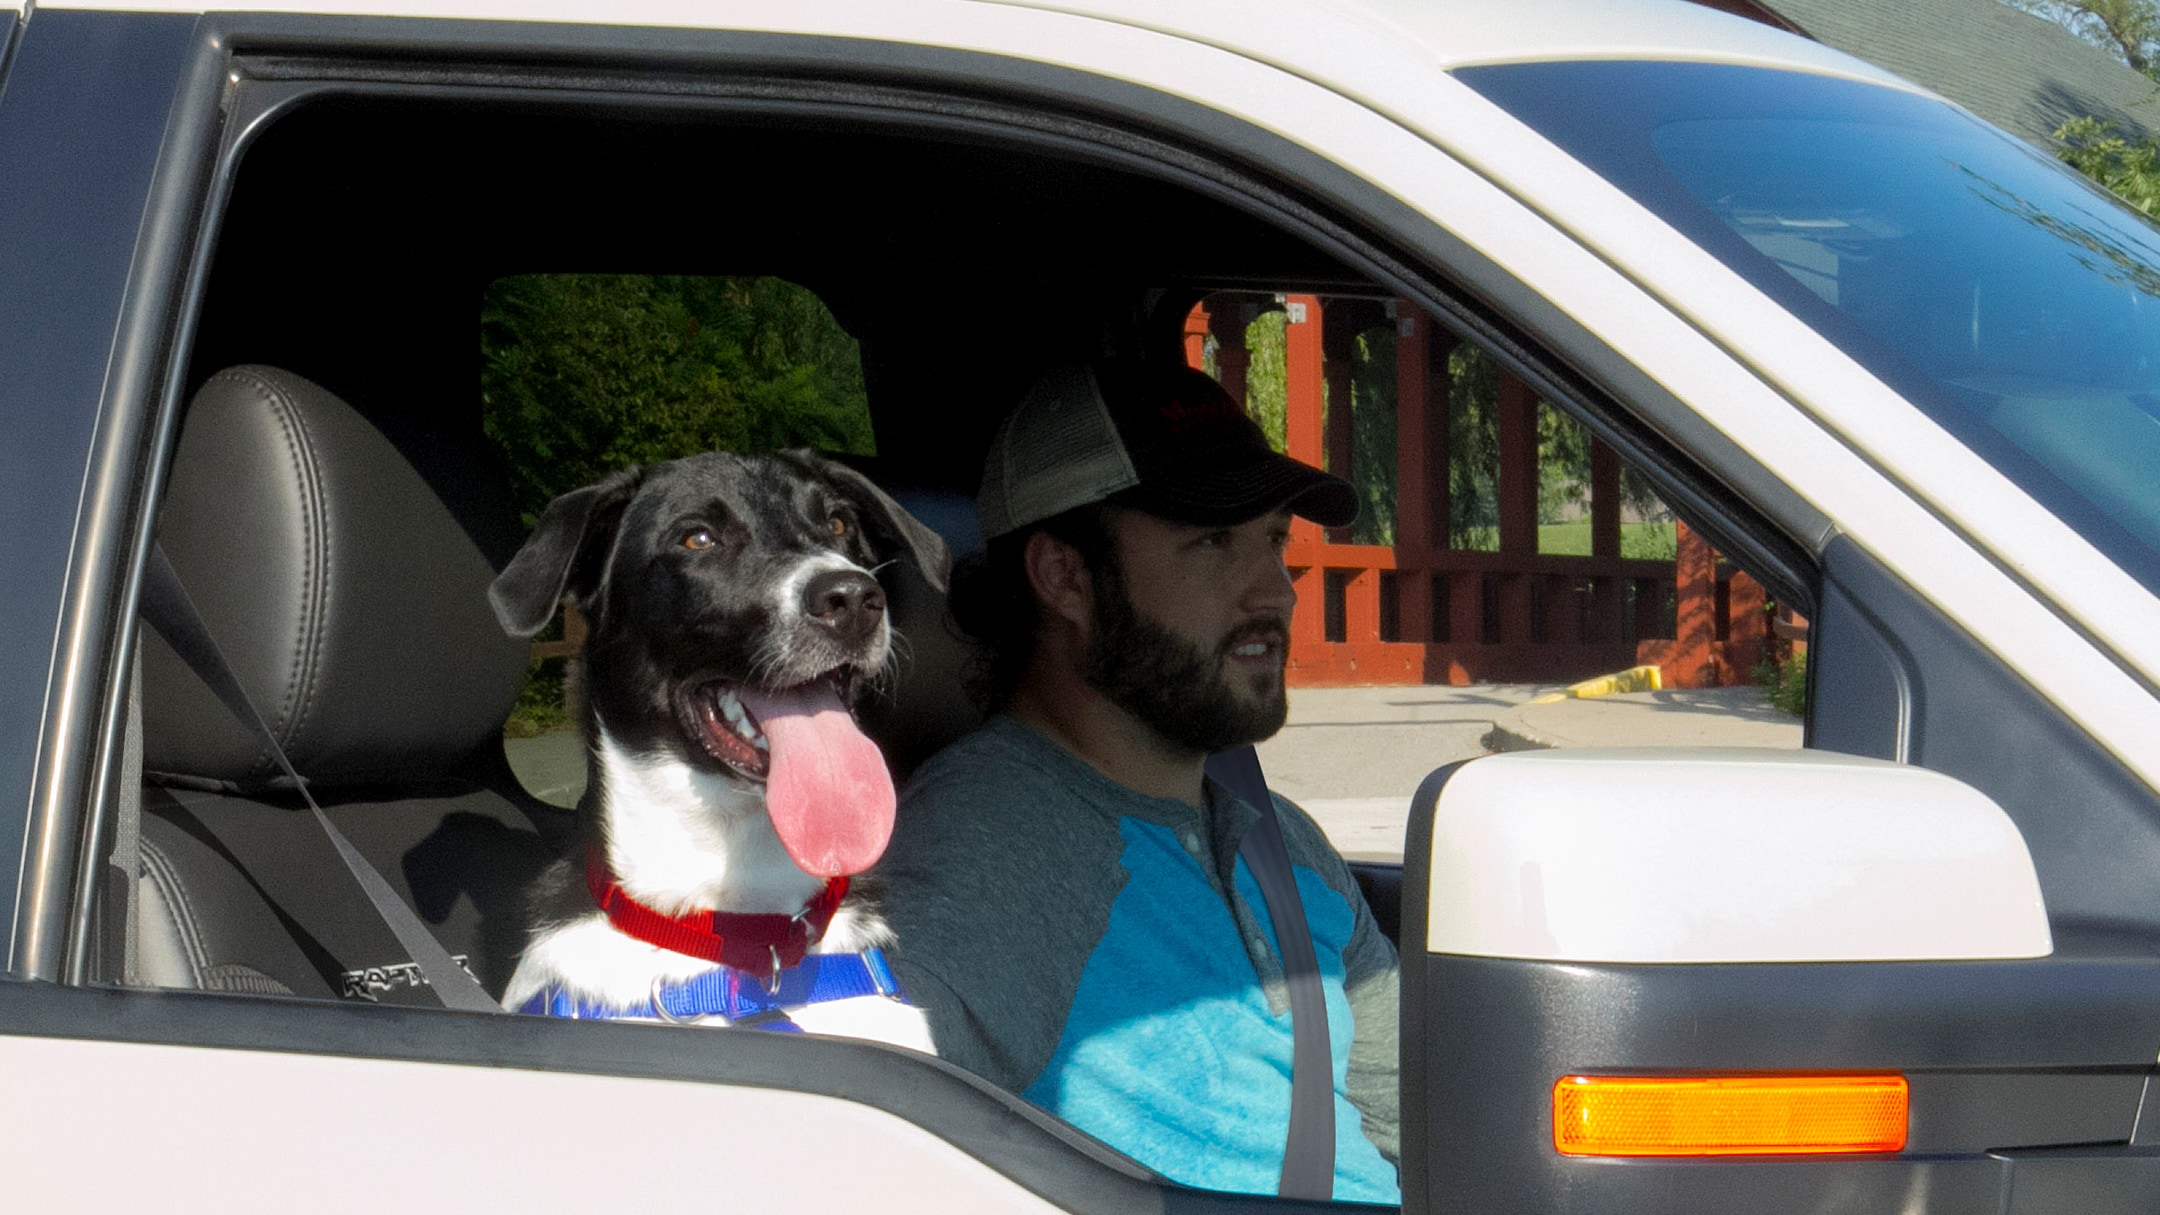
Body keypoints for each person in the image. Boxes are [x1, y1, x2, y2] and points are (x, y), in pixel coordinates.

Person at [876, 360, 1401, 1203]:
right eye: (1211, 541)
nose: (1277, 590)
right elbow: (884, 1157)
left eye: (1273, 538)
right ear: (1064, 577)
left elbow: (1425, 1111)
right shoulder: (984, 856)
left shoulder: (1283, 838)